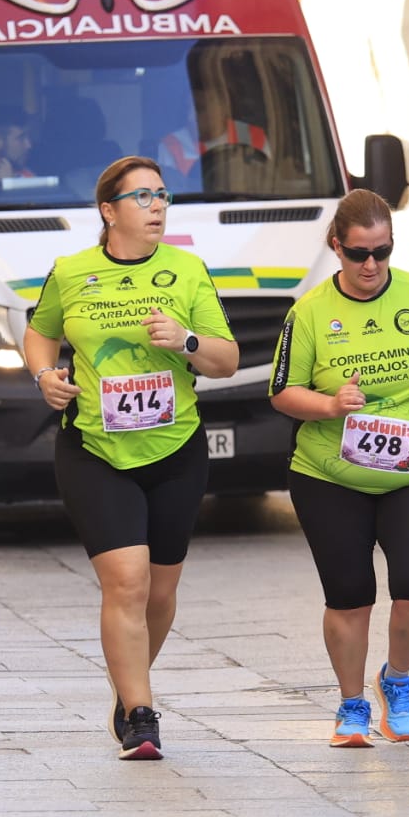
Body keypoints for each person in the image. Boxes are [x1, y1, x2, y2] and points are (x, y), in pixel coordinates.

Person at [24, 155, 239, 760]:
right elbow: (39, 332)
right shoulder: (71, 272)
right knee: (126, 580)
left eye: (162, 196)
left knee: (160, 594)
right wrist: (44, 373)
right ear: (108, 211)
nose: (156, 207)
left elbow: (226, 359)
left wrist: (188, 341)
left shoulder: (187, 270)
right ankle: (142, 715)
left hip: (174, 448)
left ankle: (125, 687)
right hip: (94, 447)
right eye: (141, 197)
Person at [267, 188, 409, 748]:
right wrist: (331, 405)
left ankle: (397, 680)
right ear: (336, 246)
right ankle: (351, 705)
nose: (370, 265)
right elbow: (283, 392)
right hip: (329, 473)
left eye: (382, 252)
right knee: (350, 594)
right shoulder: (309, 311)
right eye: (359, 253)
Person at [156, 83, 270, 189]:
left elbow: (269, 183)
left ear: (223, 108)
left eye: (199, 108)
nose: (190, 117)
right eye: (187, 109)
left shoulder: (254, 137)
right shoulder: (171, 145)